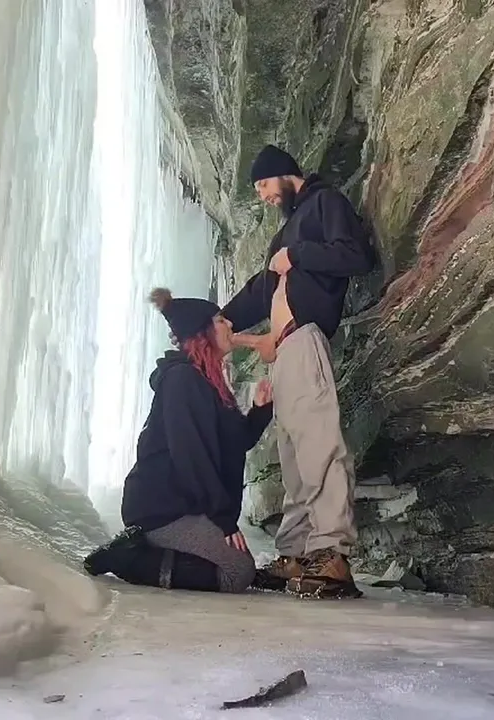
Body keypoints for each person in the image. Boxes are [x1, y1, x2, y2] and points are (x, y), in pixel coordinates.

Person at [222, 144, 377, 598]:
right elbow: (261, 289)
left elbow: (356, 255)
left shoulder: (324, 204)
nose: (264, 196)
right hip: (283, 349)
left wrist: (299, 255)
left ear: (285, 174)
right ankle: (295, 553)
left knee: (318, 445)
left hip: (306, 336)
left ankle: (331, 555)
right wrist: (224, 320)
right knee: (291, 455)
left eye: (265, 185)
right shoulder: (286, 231)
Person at [83, 288, 273, 593]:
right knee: (238, 572)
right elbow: (191, 456)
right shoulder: (182, 381)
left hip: (188, 505)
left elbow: (238, 442)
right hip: (161, 509)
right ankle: (126, 558)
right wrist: (223, 520)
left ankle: (163, 554)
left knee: (235, 567)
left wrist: (261, 411)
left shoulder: (209, 382)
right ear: (204, 332)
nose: (231, 327)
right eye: (221, 321)